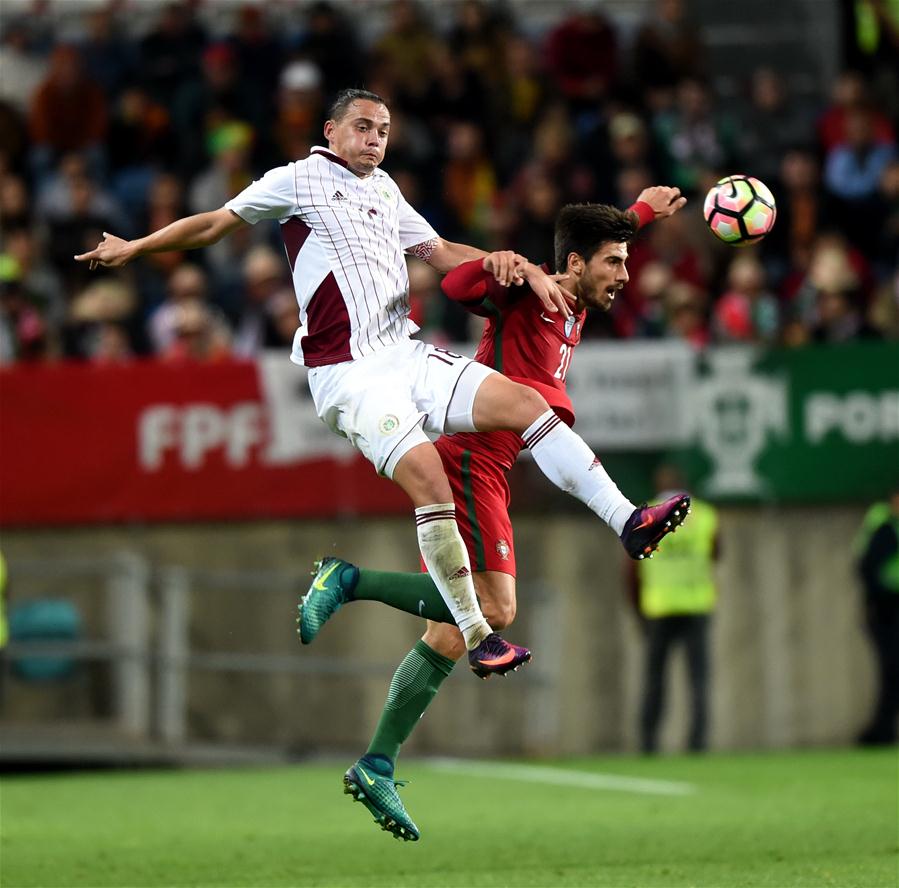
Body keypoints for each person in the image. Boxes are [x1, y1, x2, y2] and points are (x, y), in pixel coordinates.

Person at [75, 88, 686, 682]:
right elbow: (213, 224)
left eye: (385, 131)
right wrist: (136, 247)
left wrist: (521, 264)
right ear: (331, 132)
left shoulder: (387, 190)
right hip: (347, 373)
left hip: (402, 353)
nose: (375, 140)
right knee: (430, 476)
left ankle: (628, 520)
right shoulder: (295, 180)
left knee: (526, 403)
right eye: (364, 128)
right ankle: (479, 636)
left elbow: (442, 252)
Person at [297, 186, 690, 840]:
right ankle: (349, 580)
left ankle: (375, 763)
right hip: (473, 459)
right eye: (613, 264)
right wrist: (496, 265)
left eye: (625, 262)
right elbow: (454, 283)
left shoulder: (574, 293)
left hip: (495, 466)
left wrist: (641, 213)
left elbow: (591, 237)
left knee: (455, 630)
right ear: (571, 266)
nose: (625, 275)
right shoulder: (528, 292)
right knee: (493, 612)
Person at [629, 465, 719, 755]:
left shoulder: (645, 517)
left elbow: (631, 567)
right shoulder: (705, 515)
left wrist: (636, 608)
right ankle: (698, 742)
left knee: (655, 679)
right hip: (696, 605)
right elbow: (717, 552)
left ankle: (648, 742)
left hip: (659, 607)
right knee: (698, 679)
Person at [853, 492, 899, 746]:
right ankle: (881, 731)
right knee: (892, 670)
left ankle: (882, 730)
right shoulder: (883, 528)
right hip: (886, 610)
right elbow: (870, 569)